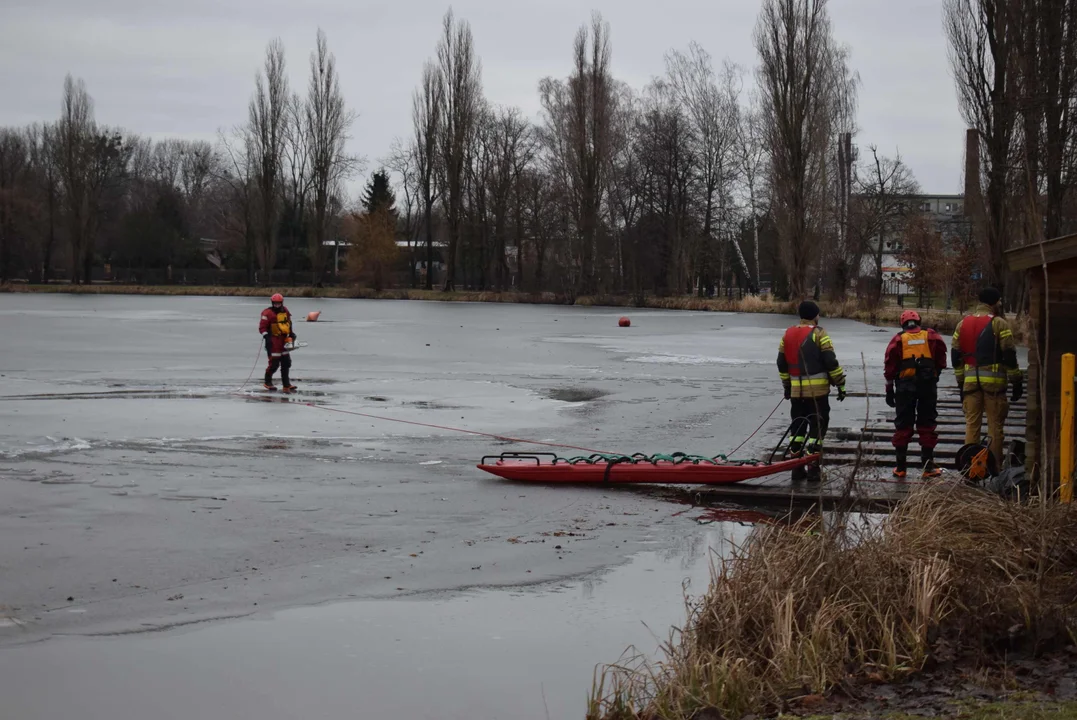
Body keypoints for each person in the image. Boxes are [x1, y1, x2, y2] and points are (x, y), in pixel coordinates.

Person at [951, 287, 1022, 465]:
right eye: (998, 301)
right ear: (993, 303)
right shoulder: (999, 324)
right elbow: (1009, 356)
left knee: (971, 426)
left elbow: (955, 357)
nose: (999, 304)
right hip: (994, 386)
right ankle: (994, 468)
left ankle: (971, 467)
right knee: (995, 428)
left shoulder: (963, 324)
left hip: (970, 383)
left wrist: (961, 383)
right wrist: (1016, 381)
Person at [777, 300, 847, 481]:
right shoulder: (819, 333)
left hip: (796, 393)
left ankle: (796, 468)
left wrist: (787, 387)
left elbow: (781, 364)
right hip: (817, 393)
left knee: (797, 429)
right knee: (817, 428)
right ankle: (814, 469)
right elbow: (831, 362)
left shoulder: (788, 334)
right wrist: (841, 384)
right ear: (815, 315)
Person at [883, 310, 948, 478]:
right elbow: (941, 357)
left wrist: (889, 390)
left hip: (905, 387)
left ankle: (900, 468)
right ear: (919, 321)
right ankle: (928, 468)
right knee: (927, 423)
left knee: (903, 424)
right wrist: (936, 374)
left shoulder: (898, 339)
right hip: (927, 385)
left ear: (902, 324)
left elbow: (890, 366)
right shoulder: (931, 336)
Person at [259, 293, 298, 393]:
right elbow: (262, 327)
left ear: (281, 303)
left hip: (284, 340)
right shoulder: (267, 313)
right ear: (272, 303)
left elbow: (289, 323)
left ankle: (286, 384)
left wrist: (291, 334)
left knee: (286, 363)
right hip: (273, 341)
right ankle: (267, 382)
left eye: (278, 303)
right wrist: (266, 336)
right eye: (275, 303)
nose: (277, 305)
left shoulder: (285, 311)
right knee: (274, 363)